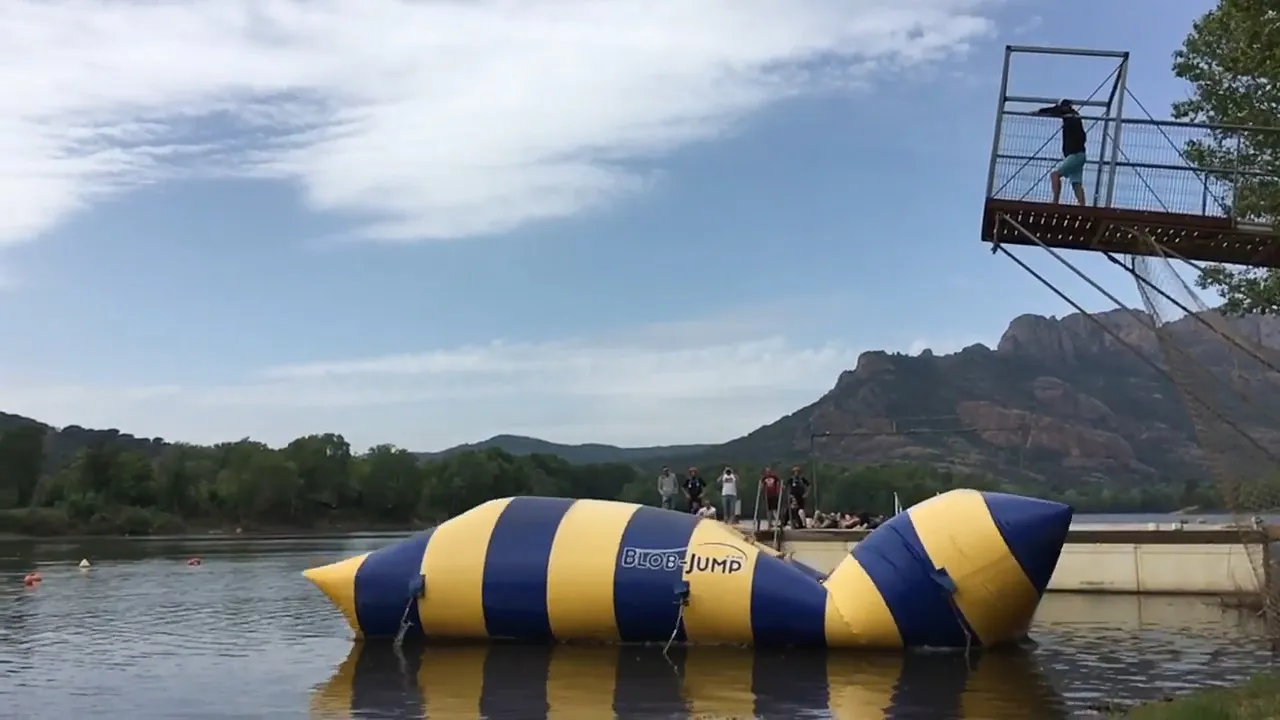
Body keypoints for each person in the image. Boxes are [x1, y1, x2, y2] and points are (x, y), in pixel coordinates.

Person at [1034, 99, 1088, 206]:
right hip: (1079, 154)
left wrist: (1039, 111)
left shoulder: (1071, 116)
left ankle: (1055, 202)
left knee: (1055, 175)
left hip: (1075, 154)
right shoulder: (1074, 117)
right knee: (1076, 183)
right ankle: (1082, 205)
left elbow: (1056, 110)